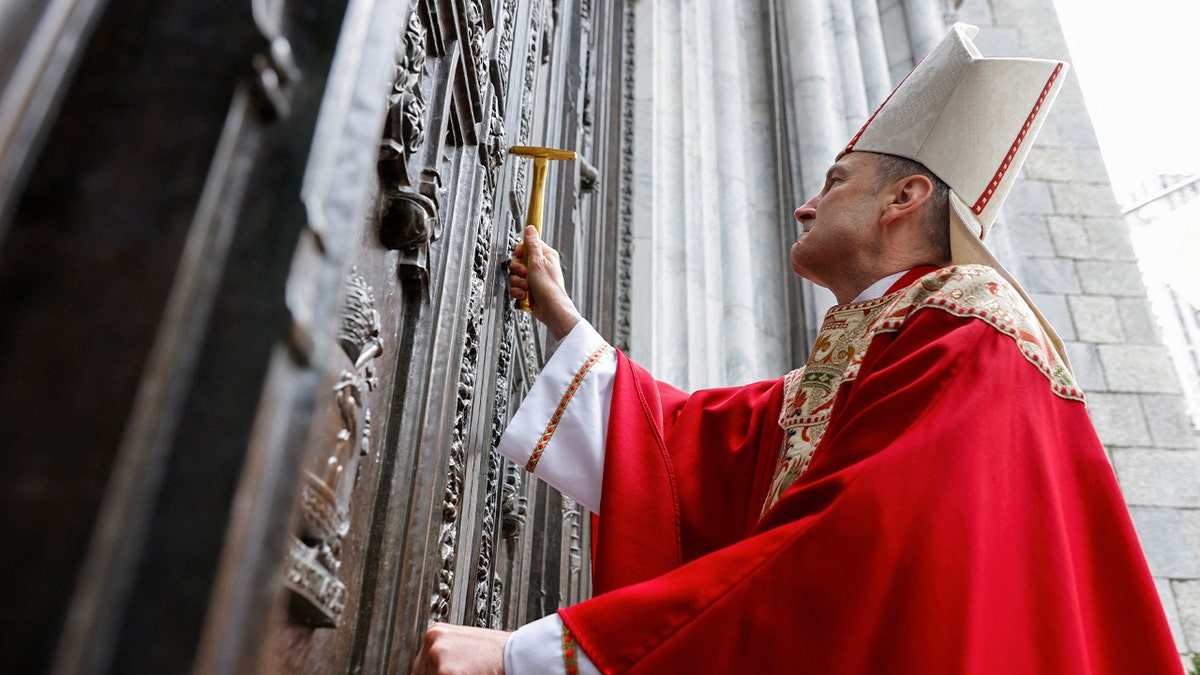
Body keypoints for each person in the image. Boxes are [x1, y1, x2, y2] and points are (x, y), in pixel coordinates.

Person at [413, 24, 1181, 674]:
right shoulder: (881, 346)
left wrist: (530, 653)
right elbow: (688, 446)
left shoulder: (970, 336)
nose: (806, 203)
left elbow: (851, 553)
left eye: (836, 179)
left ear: (904, 200)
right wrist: (565, 320)